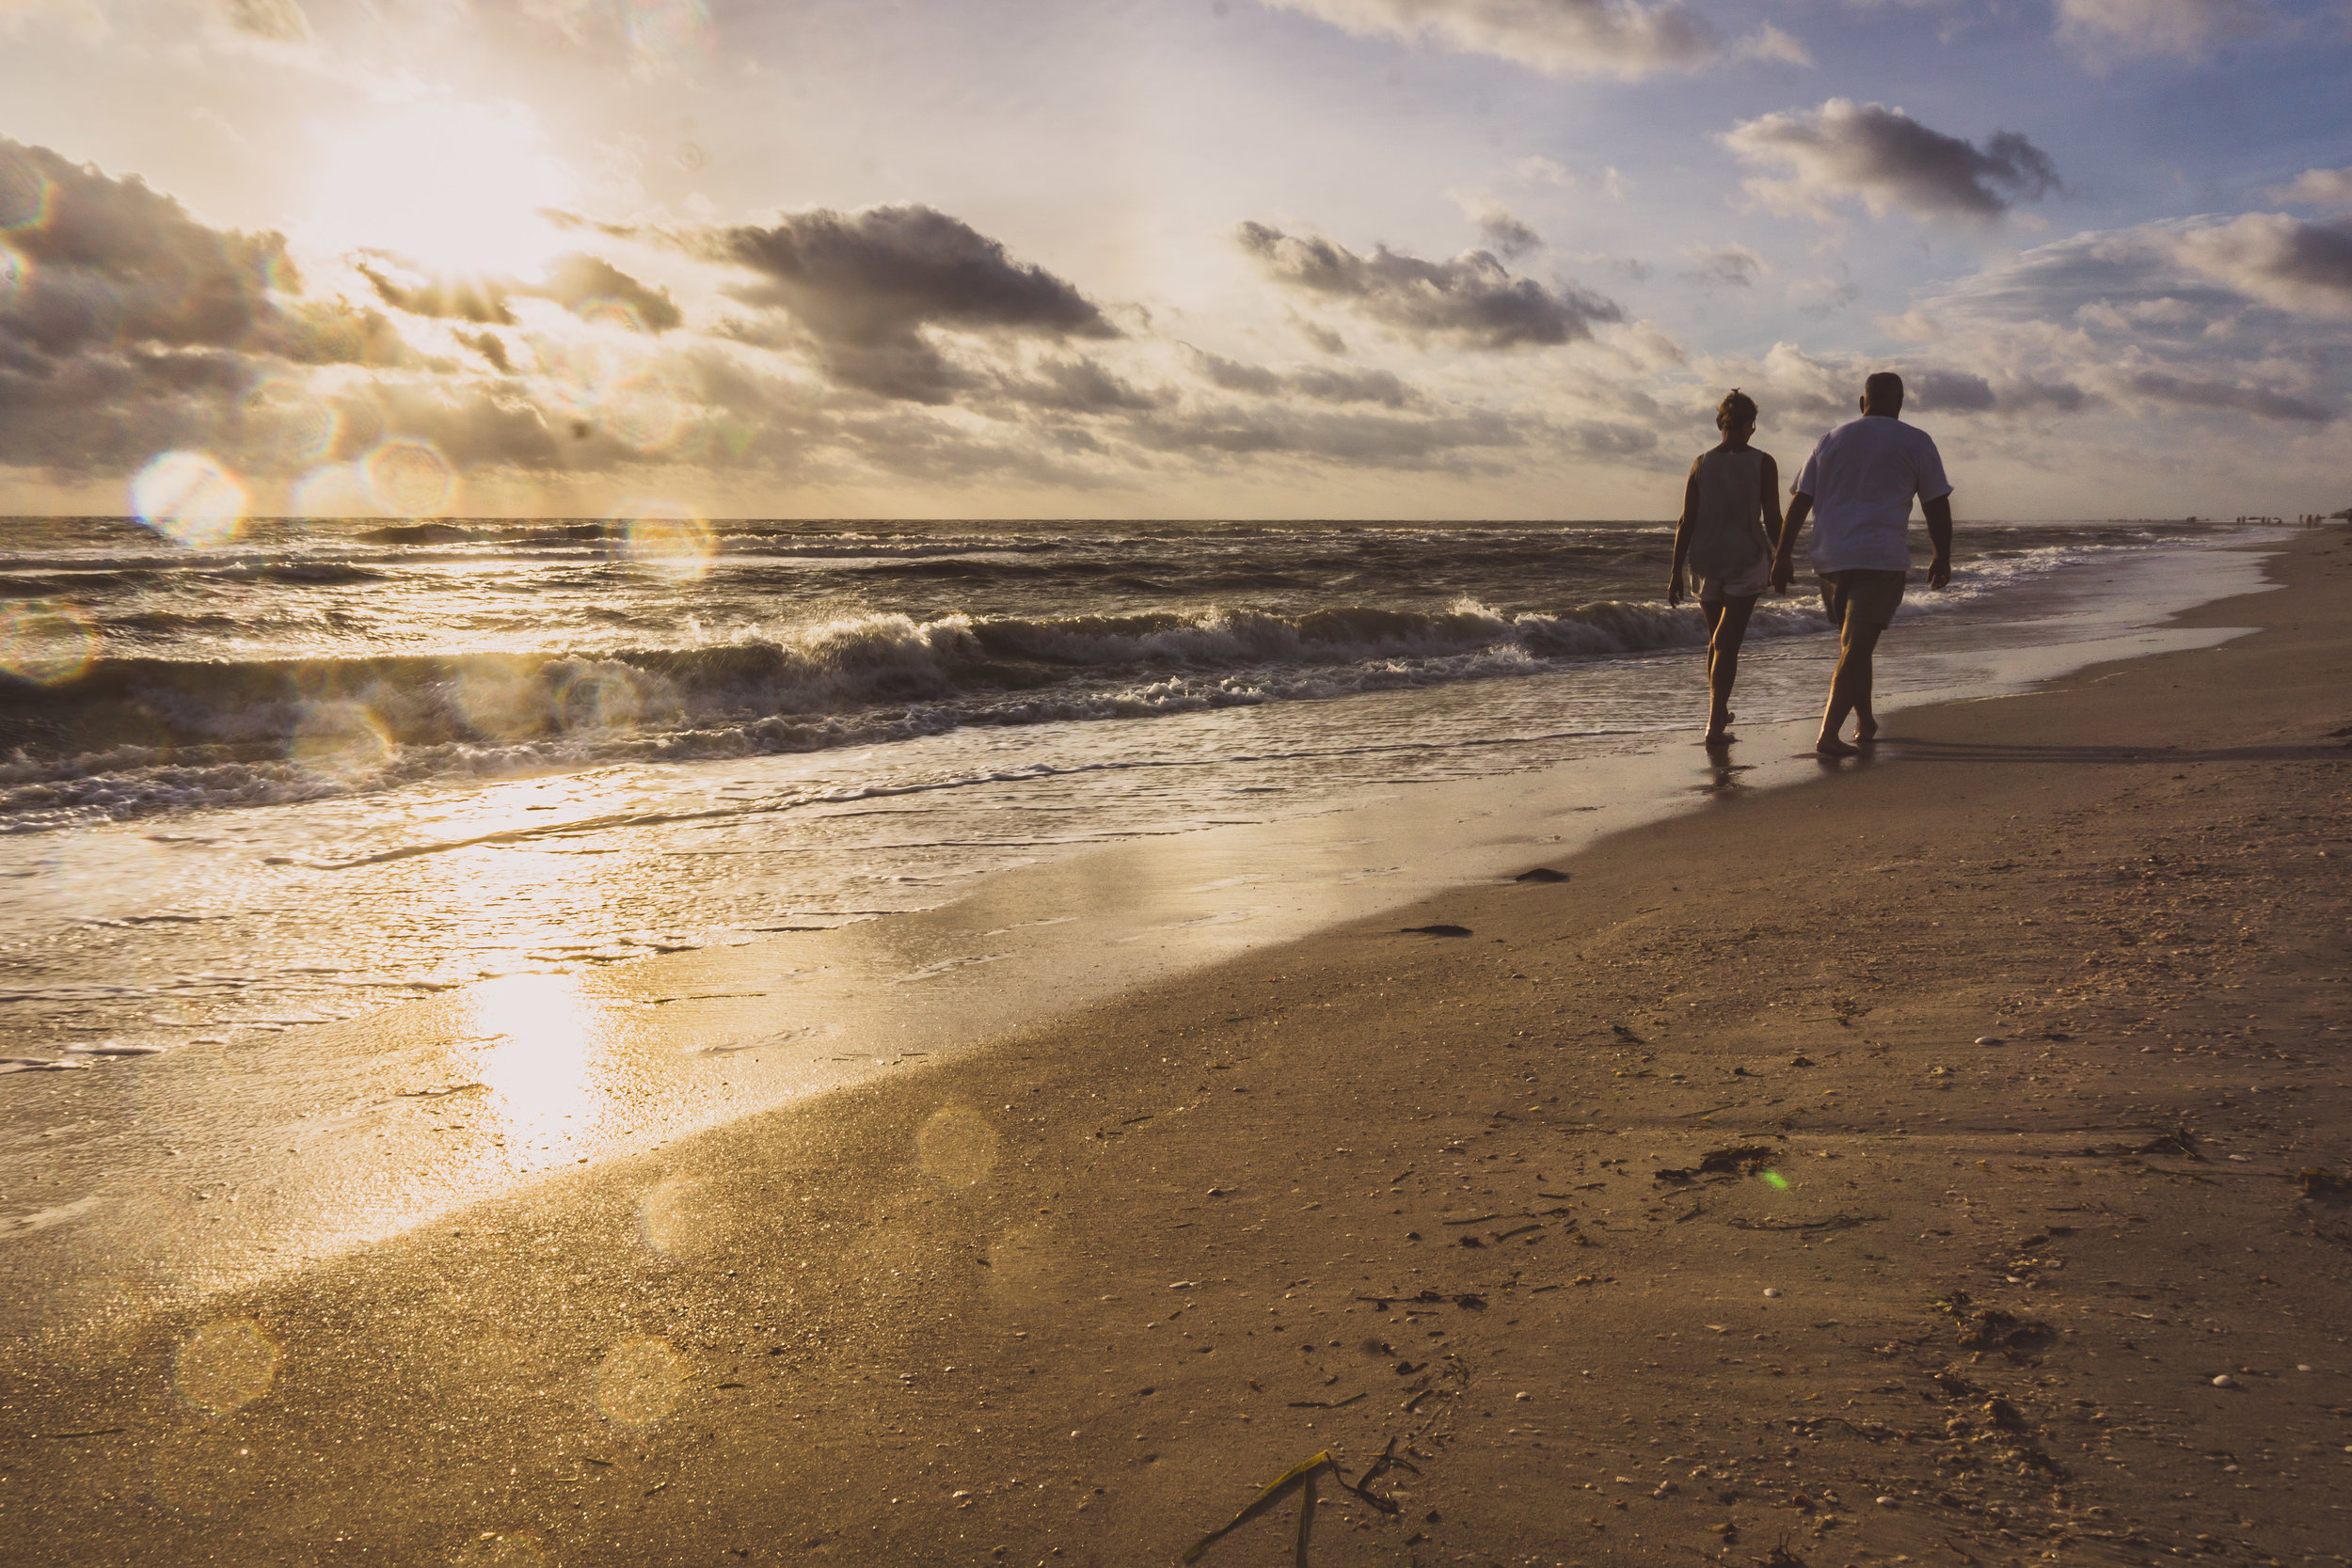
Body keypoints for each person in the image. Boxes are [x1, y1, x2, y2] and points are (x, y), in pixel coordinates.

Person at [1769, 371, 1953, 756]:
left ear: (1861, 403)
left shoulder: (1830, 439)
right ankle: (1828, 734)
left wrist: (1783, 555)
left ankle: (1865, 720)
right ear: (1900, 404)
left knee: (1855, 645)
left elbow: (1800, 499)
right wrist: (1941, 554)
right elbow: (1935, 502)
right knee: (1856, 647)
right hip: (1879, 558)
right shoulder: (1917, 441)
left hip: (1831, 559)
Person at [1668, 388, 1784, 746]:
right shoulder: (1763, 462)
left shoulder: (1701, 462)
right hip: (1746, 559)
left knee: (1718, 641)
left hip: (1705, 560)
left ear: (1720, 422)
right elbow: (1774, 517)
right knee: (1726, 642)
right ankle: (1714, 724)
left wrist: (1674, 570)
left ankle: (1718, 712)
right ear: (1752, 425)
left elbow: (1685, 521)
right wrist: (1783, 555)